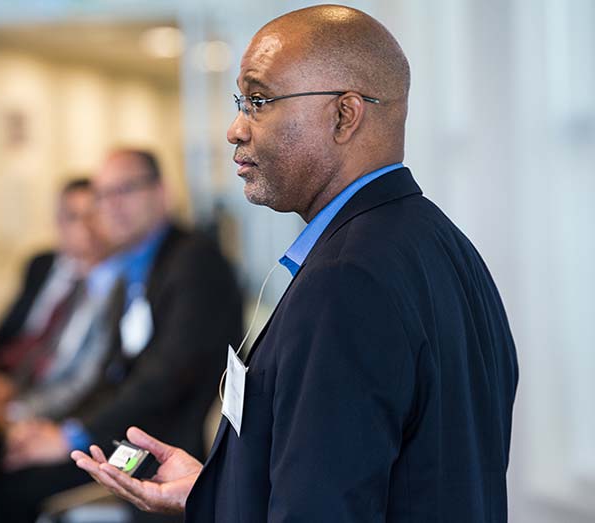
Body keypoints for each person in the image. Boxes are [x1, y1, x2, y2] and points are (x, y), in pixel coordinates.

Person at [72, 5, 519, 523]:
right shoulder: (438, 243)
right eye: (242, 102)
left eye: (259, 101)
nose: (235, 129)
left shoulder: (346, 282)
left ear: (344, 115)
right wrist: (214, 490)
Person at [0, 149, 242, 523]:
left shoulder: (194, 262)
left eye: (125, 190)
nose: (111, 206)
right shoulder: (132, 267)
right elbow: (110, 374)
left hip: (168, 446)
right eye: (102, 195)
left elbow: (165, 377)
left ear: (162, 193)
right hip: (125, 433)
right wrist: (58, 429)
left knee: (12, 486)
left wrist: (69, 438)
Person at [0, 178, 110, 432]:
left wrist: (15, 410)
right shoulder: (41, 265)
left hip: (48, 407)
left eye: (92, 216)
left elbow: (80, 377)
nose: (85, 228)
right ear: (57, 223)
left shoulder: (107, 282)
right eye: (73, 217)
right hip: (10, 382)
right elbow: (11, 334)